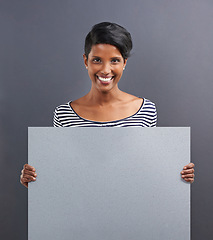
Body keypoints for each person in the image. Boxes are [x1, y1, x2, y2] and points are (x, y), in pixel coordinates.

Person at [20, 22, 195, 188]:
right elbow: (60, 172)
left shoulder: (145, 110)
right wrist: (35, 180)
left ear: (124, 63)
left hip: (132, 211)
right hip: (81, 213)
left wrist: (178, 175)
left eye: (114, 60)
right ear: (85, 61)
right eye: (97, 60)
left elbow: (147, 169)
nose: (105, 69)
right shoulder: (64, 114)